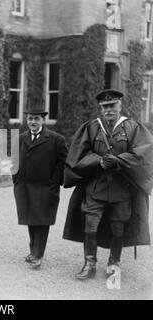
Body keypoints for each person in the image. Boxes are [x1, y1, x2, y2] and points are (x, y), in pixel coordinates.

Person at [63, 89, 153, 281]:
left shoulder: (132, 127)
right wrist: (98, 161)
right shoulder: (92, 127)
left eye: (112, 105)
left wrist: (119, 161)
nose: (109, 109)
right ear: (100, 108)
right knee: (90, 225)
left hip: (121, 189)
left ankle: (114, 263)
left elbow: (143, 153)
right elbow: (78, 154)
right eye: (105, 106)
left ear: (120, 105)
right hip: (95, 188)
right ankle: (89, 264)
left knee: (118, 228)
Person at [11, 98, 68, 269]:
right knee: (30, 218)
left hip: (45, 188)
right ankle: (33, 250)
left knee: (42, 221)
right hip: (25, 187)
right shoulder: (20, 139)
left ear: (43, 120)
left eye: (36, 119)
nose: (33, 122)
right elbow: (15, 161)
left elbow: (63, 162)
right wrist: (17, 181)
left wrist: (54, 182)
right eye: (30, 118)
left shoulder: (56, 139)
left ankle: (37, 254)